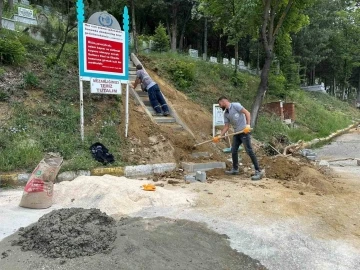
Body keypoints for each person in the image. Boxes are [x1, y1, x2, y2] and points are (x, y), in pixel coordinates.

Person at [213, 96, 263, 181]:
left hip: (244, 131)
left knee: (249, 150)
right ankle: (235, 169)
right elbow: (226, 126)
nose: (220, 105)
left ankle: (258, 171)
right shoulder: (226, 114)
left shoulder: (235, 105)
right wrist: (220, 136)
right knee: (234, 150)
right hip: (237, 133)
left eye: (220, 103)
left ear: (223, 101)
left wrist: (248, 125)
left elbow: (247, 113)